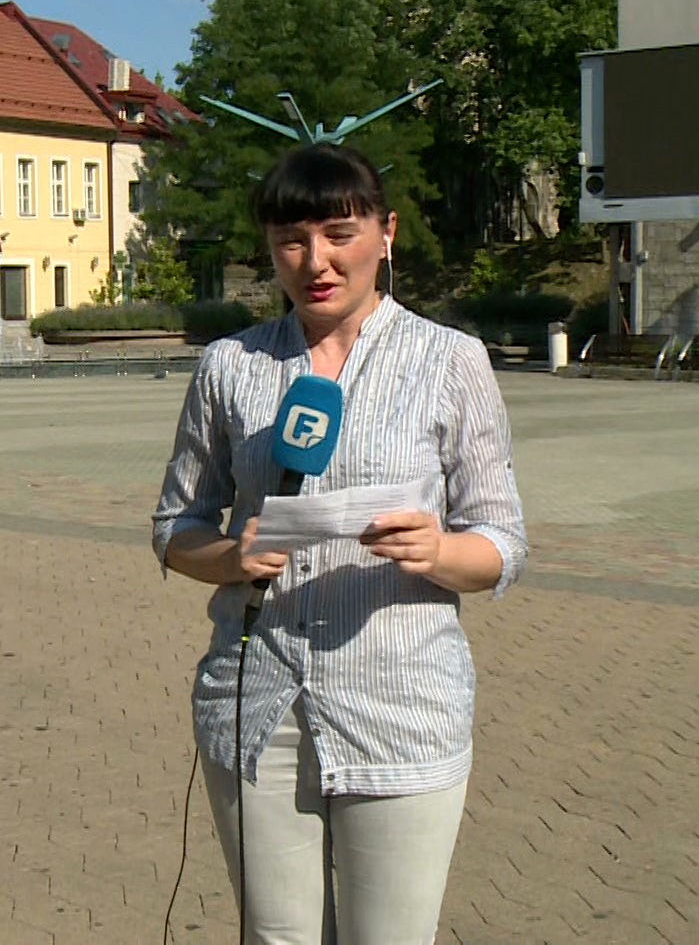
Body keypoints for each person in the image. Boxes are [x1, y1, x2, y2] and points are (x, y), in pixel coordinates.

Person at [150, 143, 527, 944]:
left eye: (338, 233)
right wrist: (230, 556)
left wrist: (438, 552)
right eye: (291, 240)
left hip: (401, 704)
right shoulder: (230, 367)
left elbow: (502, 540)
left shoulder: (451, 361)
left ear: (385, 234)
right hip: (255, 706)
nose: (315, 260)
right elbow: (175, 529)